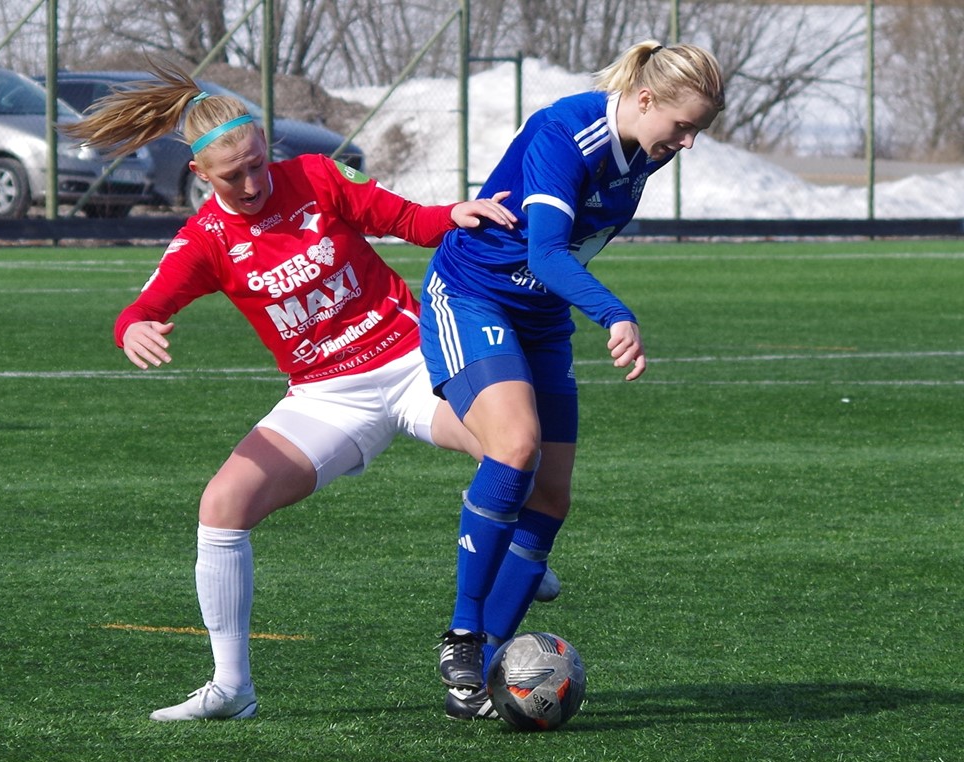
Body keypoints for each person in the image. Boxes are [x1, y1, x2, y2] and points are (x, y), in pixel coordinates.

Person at [61, 61, 523, 722]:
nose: (253, 182)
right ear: (200, 176)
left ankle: (511, 559)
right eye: (234, 174)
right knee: (222, 504)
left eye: (257, 163)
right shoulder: (205, 242)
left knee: (512, 449)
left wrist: (454, 214)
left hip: (413, 360)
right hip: (327, 397)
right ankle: (231, 688)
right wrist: (132, 329)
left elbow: (404, 219)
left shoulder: (315, 175)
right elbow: (140, 309)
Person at [422, 40, 726, 720]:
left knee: (552, 497)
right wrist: (614, 314)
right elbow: (546, 252)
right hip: (473, 296)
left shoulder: (641, 152)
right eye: (683, 126)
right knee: (517, 447)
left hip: (540, 315)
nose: (688, 142)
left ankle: (482, 680)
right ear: (645, 99)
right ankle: (465, 635)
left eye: (697, 130)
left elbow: (564, 259)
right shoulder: (567, 132)